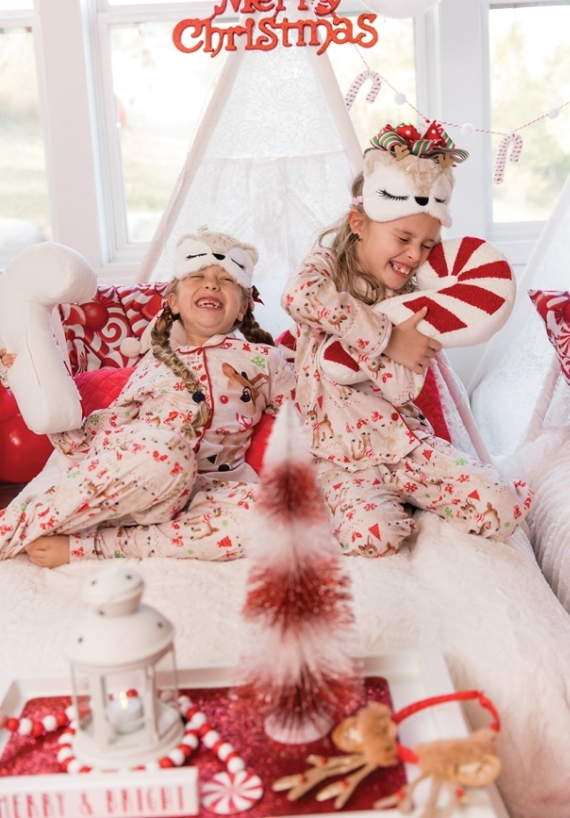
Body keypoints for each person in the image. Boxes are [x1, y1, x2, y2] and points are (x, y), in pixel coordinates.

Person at [281, 122, 531, 557]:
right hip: (337, 456)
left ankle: (419, 493)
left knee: (503, 509)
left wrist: (401, 343)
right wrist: (386, 337)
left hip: (406, 444)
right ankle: (363, 505)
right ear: (359, 222)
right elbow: (298, 296)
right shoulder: (326, 269)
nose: (415, 255)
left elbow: (403, 387)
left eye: (428, 244)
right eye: (403, 238)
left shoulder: (416, 297)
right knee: (374, 538)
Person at [0, 228, 294, 567]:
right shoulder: (156, 361)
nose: (211, 284)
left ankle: (96, 545)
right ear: (172, 302)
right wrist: (20, 375)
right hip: (143, 470)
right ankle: (14, 529)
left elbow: (302, 415)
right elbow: (108, 426)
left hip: (209, 495)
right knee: (166, 455)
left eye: (226, 280)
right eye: (198, 276)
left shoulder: (265, 360)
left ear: (243, 307)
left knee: (278, 519)